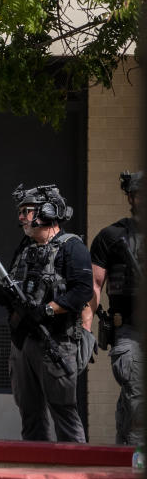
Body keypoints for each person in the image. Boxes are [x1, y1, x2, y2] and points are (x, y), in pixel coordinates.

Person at [0, 183, 92, 443]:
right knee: (30, 413)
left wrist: (47, 310)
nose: (22, 218)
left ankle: (75, 476)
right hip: (23, 342)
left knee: (64, 413)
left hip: (55, 343)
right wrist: (4, 295)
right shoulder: (26, 247)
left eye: (27, 211)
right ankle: (35, 471)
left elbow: (82, 291)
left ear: (47, 212)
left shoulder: (72, 247)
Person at [90, 171, 143, 445]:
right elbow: (95, 287)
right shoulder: (112, 236)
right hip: (130, 332)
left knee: (132, 400)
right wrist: (85, 331)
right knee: (138, 397)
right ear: (131, 197)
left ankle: (123, 454)